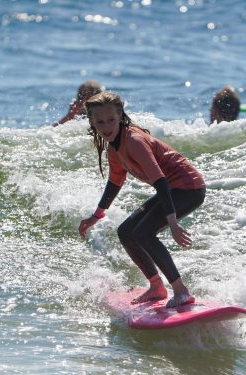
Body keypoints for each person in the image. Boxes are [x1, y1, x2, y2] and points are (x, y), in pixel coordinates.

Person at [78, 91, 206, 308]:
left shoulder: (134, 141)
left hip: (188, 188)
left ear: (120, 116)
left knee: (144, 233)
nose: (106, 126)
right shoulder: (114, 148)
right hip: (172, 189)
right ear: (92, 122)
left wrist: (173, 223)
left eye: (111, 120)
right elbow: (115, 183)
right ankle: (156, 287)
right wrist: (96, 216)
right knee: (126, 232)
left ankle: (181, 291)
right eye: (100, 122)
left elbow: (161, 182)